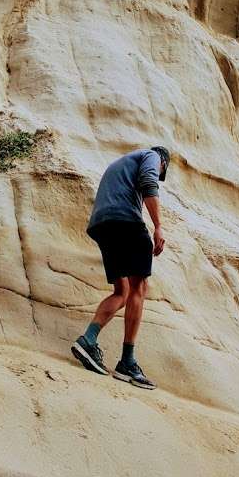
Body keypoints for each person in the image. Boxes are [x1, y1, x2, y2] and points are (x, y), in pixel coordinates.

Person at [71, 146, 170, 390]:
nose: (158, 173)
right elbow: (148, 180)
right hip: (125, 220)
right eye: (161, 172)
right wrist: (158, 225)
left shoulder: (123, 162)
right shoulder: (153, 156)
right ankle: (127, 362)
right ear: (164, 164)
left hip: (102, 224)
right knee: (139, 286)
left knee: (122, 292)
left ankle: (88, 340)